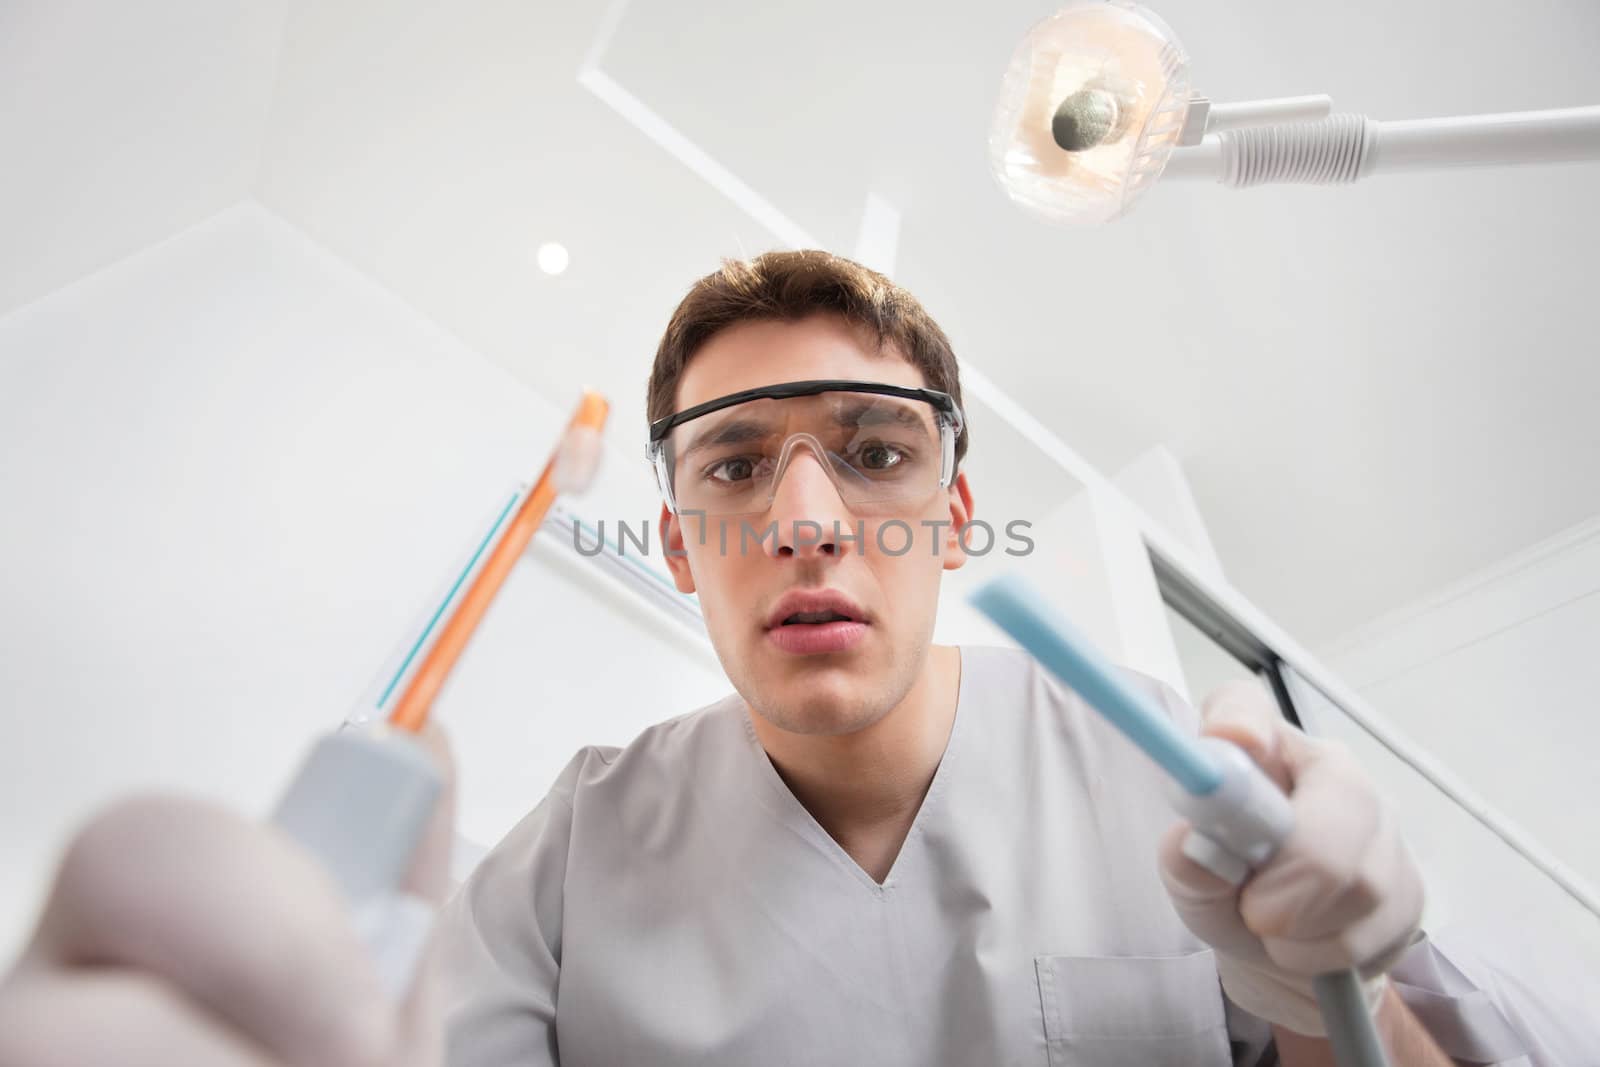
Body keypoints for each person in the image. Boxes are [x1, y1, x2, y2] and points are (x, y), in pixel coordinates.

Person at [0, 252, 1542, 1066]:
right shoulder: (571, 858)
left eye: (872, 453)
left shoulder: (1156, 759)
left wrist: (1332, 987)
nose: (806, 519)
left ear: (953, 520)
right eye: (734, 468)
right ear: (679, 551)